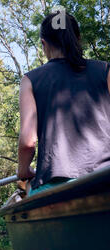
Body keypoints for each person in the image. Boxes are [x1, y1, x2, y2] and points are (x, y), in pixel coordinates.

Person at [17, 12, 110, 196]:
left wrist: (23, 170)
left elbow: (28, 142)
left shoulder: (29, 80)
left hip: (57, 184)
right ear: (78, 38)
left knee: (26, 188)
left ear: (44, 44)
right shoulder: (105, 70)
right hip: (106, 175)